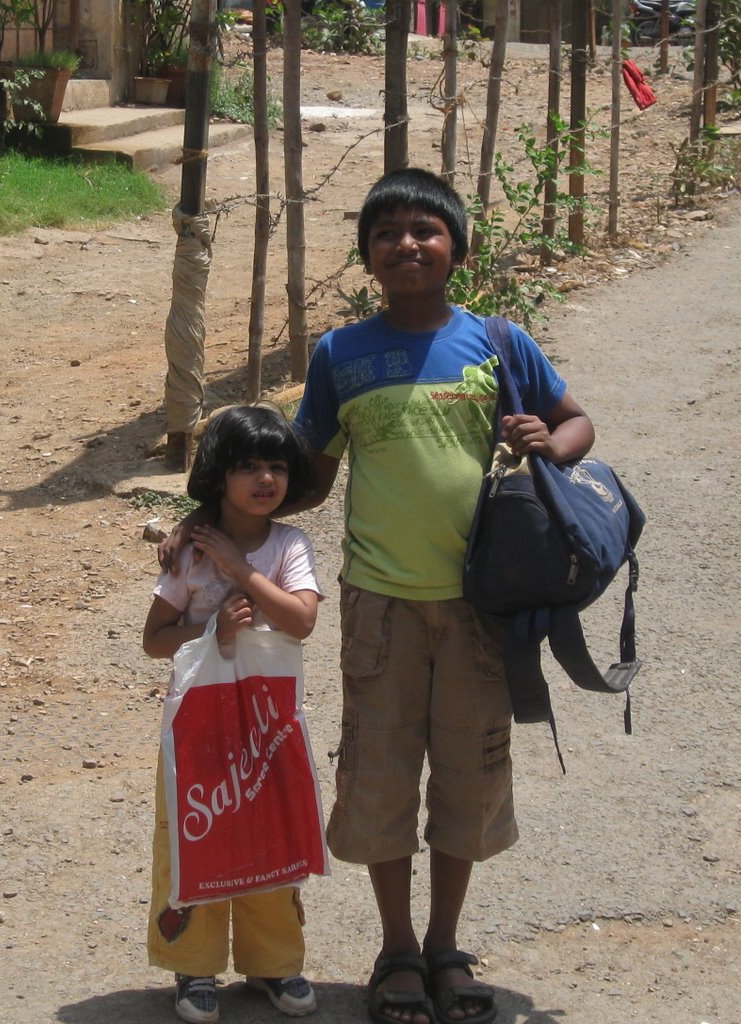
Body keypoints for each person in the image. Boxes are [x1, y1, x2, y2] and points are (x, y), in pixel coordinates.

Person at [160, 168, 595, 1024]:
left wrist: (551, 440)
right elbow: (305, 482)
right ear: (366, 256)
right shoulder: (339, 356)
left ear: (457, 248)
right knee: (382, 777)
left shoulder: (499, 341)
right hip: (379, 610)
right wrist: (202, 520)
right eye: (388, 231)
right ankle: (395, 949)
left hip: (480, 607)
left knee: (468, 780)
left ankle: (445, 946)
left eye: (425, 230)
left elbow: (577, 422)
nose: (407, 243)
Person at [143, 404, 325, 1024]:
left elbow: (301, 621)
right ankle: (193, 967)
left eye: (276, 466)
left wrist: (242, 570)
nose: (264, 479)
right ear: (219, 474)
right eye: (248, 467)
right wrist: (208, 626)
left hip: (269, 724)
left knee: (271, 829)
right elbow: (154, 639)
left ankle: (274, 963)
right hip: (199, 719)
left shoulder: (289, 544)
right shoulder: (189, 553)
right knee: (195, 830)